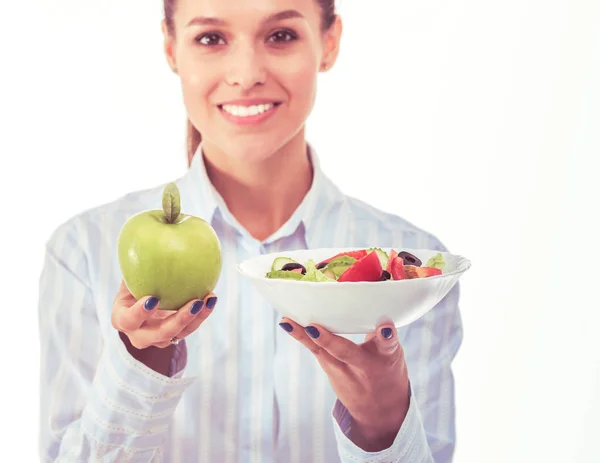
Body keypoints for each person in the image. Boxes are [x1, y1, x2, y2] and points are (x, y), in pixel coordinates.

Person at [37, 0, 463, 461]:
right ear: (170, 47)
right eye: (210, 38)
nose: (246, 73)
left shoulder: (413, 277)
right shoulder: (83, 252)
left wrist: (382, 428)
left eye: (280, 36)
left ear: (329, 42)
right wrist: (143, 362)